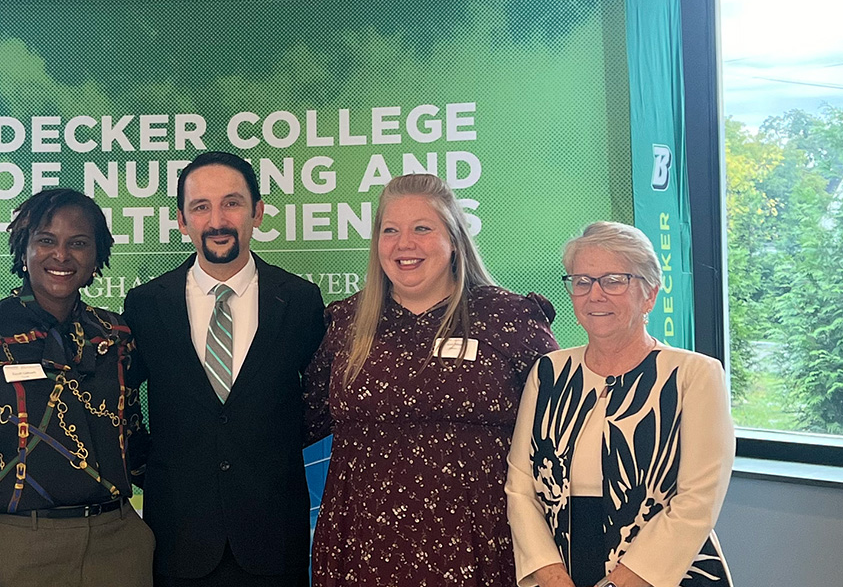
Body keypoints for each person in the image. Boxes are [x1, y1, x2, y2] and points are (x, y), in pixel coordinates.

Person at [303, 173, 559, 586]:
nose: (405, 244)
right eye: (391, 231)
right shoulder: (345, 323)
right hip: (363, 545)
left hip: (480, 542)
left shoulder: (508, 317)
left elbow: (560, 424)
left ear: (455, 239)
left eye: (422, 228)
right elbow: (302, 419)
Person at [0, 189, 152, 587]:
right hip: (20, 550)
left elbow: (134, 443)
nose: (61, 256)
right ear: (23, 249)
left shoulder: (116, 336)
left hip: (119, 546)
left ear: (98, 256)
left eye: (78, 243)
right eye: (46, 240)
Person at [123, 151, 326, 587]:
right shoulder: (145, 306)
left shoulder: (300, 301)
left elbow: (320, 403)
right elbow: (118, 401)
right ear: (181, 220)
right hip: (178, 541)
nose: (217, 220)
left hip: (275, 541)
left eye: (232, 203)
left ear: (258, 212)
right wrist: (150, 466)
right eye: (201, 207)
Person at [506, 221, 734, 587]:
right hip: (562, 573)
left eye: (613, 280)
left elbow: (697, 501)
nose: (594, 295)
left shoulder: (695, 375)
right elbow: (520, 487)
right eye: (582, 281)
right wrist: (551, 577)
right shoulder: (548, 372)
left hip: (665, 574)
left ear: (650, 294)